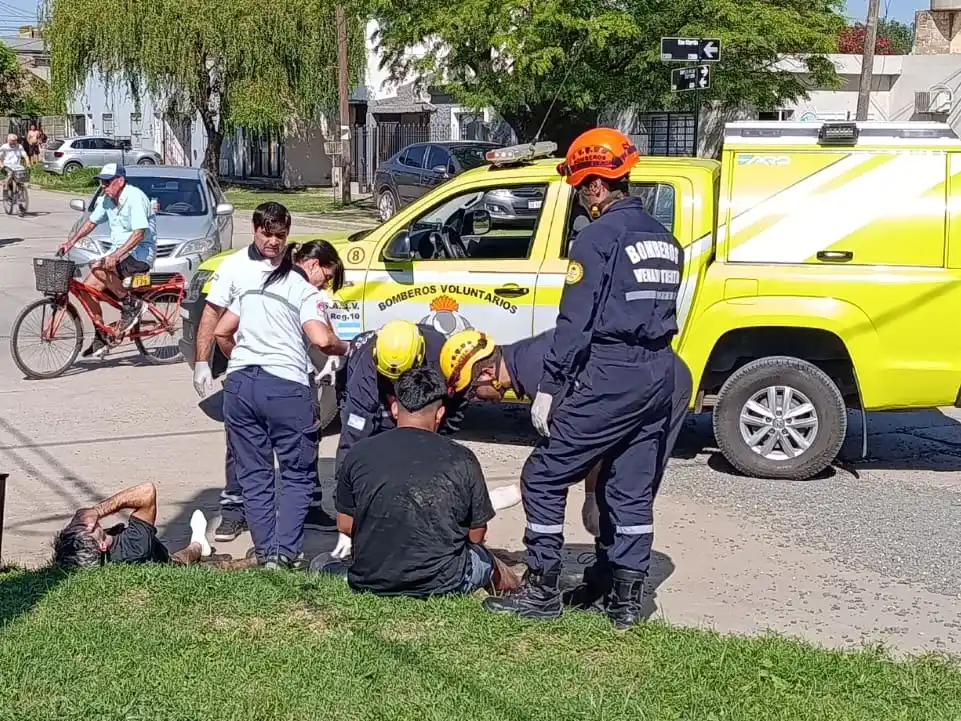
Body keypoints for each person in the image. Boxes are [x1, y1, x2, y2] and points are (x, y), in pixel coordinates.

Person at [482, 127, 684, 629]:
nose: (580, 196)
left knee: (544, 475)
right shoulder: (665, 239)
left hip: (613, 372)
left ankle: (543, 587)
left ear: (595, 184)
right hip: (659, 371)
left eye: (578, 186)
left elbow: (575, 323)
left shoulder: (595, 238)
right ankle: (626, 600)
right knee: (631, 489)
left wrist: (549, 387)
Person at [440, 327, 693, 540]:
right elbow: (592, 432)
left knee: (631, 487)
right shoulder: (525, 361)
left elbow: (579, 446)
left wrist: (515, 493)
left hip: (664, 384)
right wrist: (592, 494)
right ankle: (609, 570)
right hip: (640, 382)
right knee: (614, 488)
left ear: (486, 373)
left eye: (472, 391)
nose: (475, 398)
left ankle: (618, 580)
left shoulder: (538, 374)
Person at [213, 239, 349, 569]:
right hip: (286, 388)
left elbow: (221, 331)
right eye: (328, 277)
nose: (325, 285)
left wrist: (242, 361)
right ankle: (282, 553)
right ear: (314, 265)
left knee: (255, 474)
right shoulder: (306, 293)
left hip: (241, 387)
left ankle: (264, 552)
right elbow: (320, 338)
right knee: (297, 475)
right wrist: (344, 348)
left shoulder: (254, 284)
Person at [329, 366, 520, 597]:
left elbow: (345, 525)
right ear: (439, 413)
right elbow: (476, 535)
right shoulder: (462, 458)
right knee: (491, 563)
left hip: (371, 579)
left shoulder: (359, 453)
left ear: (395, 408)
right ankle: (517, 596)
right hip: (445, 582)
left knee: (325, 563)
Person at [192, 201, 291, 543]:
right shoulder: (235, 267)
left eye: (280, 235)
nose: (274, 242)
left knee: (293, 441)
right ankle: (234, 511)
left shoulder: (293, 268)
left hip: (288, 371)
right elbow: (211, 315)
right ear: (255, 230)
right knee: (239, 444)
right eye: (268, 234)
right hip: (244, 370)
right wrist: (202, 361)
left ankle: (302, 508)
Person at [335, 319, 468, 468]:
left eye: (398, 379)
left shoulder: (440, 355)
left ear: (419, 358)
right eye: (391, 379)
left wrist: (438, 441)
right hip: (375, 389)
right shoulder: (366, 367)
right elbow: (354, 432)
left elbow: (455, 402)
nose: (395, 383)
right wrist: (343, 481)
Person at [58, 163, 157, 357]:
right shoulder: (107, 199)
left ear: (120, 181)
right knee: (88, 291)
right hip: (117, 253)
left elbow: (139, 234)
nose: (103, 186)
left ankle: (131, 304)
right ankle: (102, 335)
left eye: (107, 182)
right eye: (102, 182)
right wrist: (71, 242)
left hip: (140, 254)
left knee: (100, 268)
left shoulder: (135, 198)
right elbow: (91, 222)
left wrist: (115, 255)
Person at [52, 482, 212, 569]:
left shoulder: (91, 556)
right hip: (170, 564)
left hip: (155, 553)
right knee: (189, 554)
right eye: (88, 529)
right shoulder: (134, 548)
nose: (87, 523)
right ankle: (199, 542)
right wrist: (97, 510)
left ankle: (198, 543)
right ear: (101, 546)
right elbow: (146, 491)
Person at [0, 132, 30, 197]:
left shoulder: (19, 146)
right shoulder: (4, 147)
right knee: (10, 176)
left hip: (17, 166)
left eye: (15, 141)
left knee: (22, 175)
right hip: (7, 166)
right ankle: (6, 188)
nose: (13, 142)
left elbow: (25, 156)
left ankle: (20, 191)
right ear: (8, 140)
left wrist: (28, 163)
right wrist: (1, 166)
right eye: (12, 141)